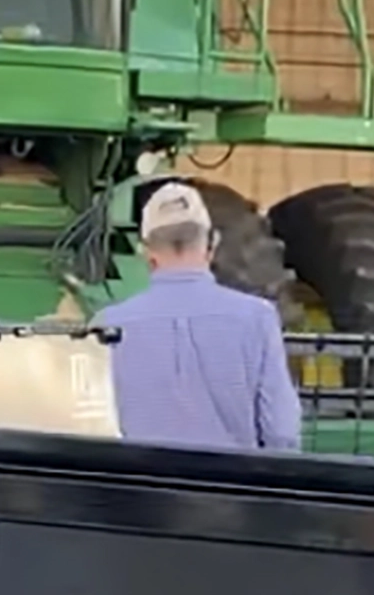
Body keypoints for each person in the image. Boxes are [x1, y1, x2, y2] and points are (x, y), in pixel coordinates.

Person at [96, 182, 303, 453]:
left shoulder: (106, 325)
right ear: (212, 243)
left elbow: (92, 427)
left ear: (146, 251)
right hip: (229, 489)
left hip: (140, 490)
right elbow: (280, 432)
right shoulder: (257, 318)